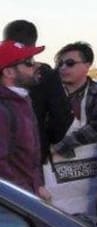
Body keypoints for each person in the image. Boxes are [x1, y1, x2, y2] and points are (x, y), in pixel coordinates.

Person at [3, 20, 70, 161]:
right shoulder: (47, 76)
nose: (33, 67)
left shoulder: (25, 95)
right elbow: (61, 119)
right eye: (28, 62)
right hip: (20, 169)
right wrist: (43, 141)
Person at [0, 40, 52, 200]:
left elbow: (29, 155)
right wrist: (26, 195)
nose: (36, 66)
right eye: (29, 63)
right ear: (9, 72)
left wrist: (37, 185)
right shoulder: (3, 109)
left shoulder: (22, 100)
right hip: (13, 208)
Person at [50, 42, 97, 161]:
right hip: (52, 167)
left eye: (70, 63)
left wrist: (58, 147)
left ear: (87, 65)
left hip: (89, 167)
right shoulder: (50, 93)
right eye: (60, 64)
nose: (63, 68)